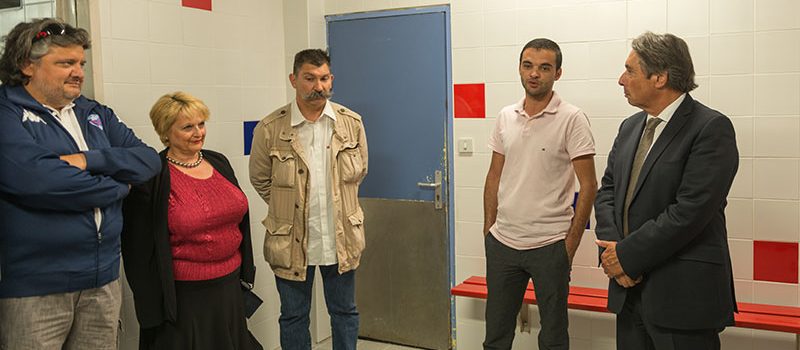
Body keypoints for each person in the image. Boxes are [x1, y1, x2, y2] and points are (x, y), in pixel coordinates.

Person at [0, 18, 161, 349]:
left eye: (81, 63)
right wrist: (118, 188)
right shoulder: (7, 112)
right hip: (36, 287)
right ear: (25, 66)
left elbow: (148, 160)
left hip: (103, 279)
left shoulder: (93, 112)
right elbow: (40, 181)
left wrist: (91, 160)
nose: (78, 72)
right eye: (65, 63)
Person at [594, 32, 738, 350]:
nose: (621, 79)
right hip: (628, 293)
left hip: (683, 299)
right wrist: (613, 253)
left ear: (660, 77)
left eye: (630, 70)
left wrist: (626, 257)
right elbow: (607, 191)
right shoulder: (630, 127)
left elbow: (689, 212)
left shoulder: (710, 128)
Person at [121, 92, 261, 350]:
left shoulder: (218, 161)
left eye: (201, 124)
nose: (198, 132)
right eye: (187, 127)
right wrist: (151, 305)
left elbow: (239, 220)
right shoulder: (154, 175)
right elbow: (137, 249)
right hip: (185, 298)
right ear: (165, 131)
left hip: (229, 287)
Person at [249, 48, 367, 350]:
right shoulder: (270, 128)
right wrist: (287, 208)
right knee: (293, 316)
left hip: (339, 238)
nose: (319, 86)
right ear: (294, 79)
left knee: (344, 313)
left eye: (324, 78)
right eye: (310, 78)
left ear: (331, 79)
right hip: (290, 240)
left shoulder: (350, 123)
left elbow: (360, 171)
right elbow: (261, 179)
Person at [482, 38, 597, 350]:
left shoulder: (572, 118)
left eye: (544, 68)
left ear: (557, 73)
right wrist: (488, 231)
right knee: (495, 337)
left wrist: (569, 245)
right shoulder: (506, 116)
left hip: (550, 246)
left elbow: (589, 185)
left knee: (553, 339)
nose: (534, 74)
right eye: (528, 66)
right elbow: (494, 175)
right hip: (503, 244)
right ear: (520, 69)